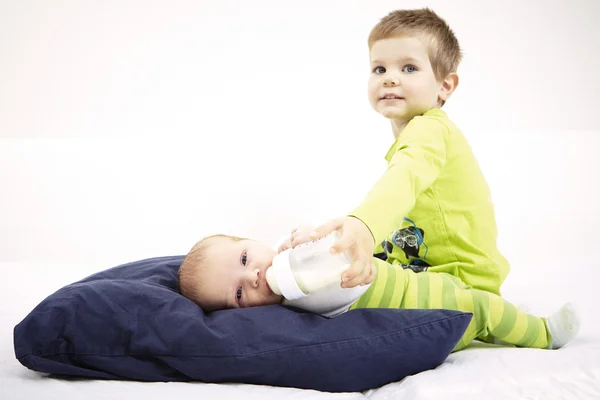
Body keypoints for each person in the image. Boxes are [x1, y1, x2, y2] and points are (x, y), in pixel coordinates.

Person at [284, 8, 511, 297]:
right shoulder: (416, 135)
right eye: (380, 69)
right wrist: (336, 241)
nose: (390, 78)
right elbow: (398, 221)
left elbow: (401, 184)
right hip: (421, 267)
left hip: (459, 280)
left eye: (409, 68)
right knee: (340, 272)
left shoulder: (430, 132)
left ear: (445, 85)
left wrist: (362, 225)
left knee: (347, 290)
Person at [176, 233, 580, 352]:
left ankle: (509, 323)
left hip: (419, 283)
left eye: (246, 258)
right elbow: (336, 288)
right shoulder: (292, 303)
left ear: (250, 240)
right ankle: (544, 333)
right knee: (480, 307)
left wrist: (309, 241)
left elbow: (340, 243)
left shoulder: (288, 257)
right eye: (239, 295)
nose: (256, 278)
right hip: (424, 307)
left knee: (473, 295)